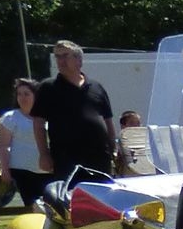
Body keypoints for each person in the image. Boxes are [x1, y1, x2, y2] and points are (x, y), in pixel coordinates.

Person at [31, 40, 118, 182]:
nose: (61, 61)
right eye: (57, 57)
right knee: (71, 194)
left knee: (100, 193)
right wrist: (44, 154)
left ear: (79, 60)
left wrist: (113, 149)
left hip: (99, 157)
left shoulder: (96, 87)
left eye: (65, 56)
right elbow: (38, 123)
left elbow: (108, 120)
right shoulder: (48, 87)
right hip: (66, 158)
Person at [0, 79, 49, 207]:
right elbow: (4, 146)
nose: (22, 98)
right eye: (19, 94)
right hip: (22, 170)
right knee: (33, 206)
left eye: (26, 94)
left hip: (47, 170)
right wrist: (5, 170)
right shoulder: (10, 117)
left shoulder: (48, 116)